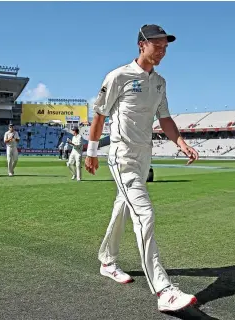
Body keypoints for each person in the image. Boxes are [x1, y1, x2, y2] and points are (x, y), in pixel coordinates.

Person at [85, 24, 199, 312]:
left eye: (166, 47)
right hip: (122, 155)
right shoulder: (118, 76)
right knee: (144, 214)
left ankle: (107, 261)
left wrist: (181, 142)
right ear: (142, 45)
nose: (162, 51)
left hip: (144, 156)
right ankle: (164, 290)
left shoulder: (160, 82)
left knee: (123, 207)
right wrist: (92, 151)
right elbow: (99, 115)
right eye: (157, 45)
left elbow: (165, 118)